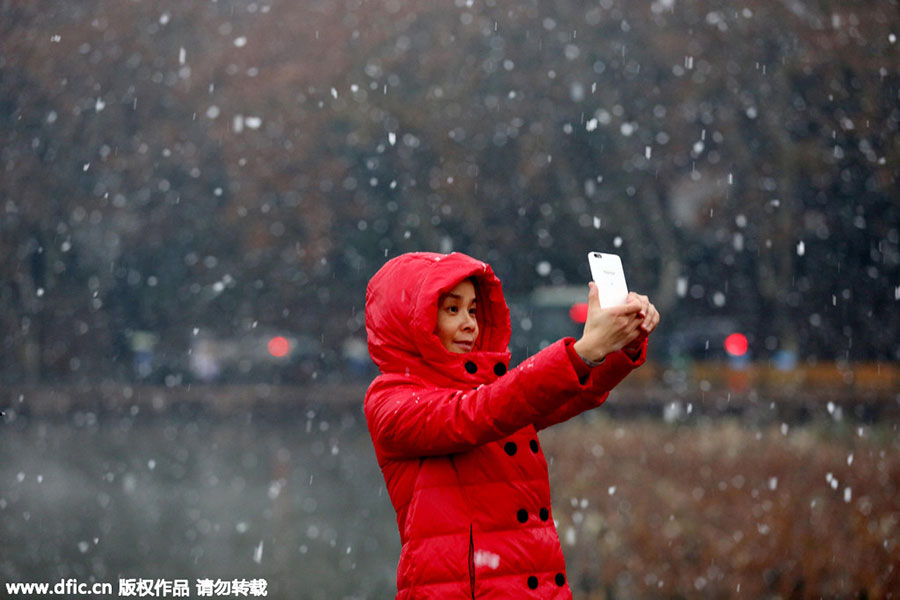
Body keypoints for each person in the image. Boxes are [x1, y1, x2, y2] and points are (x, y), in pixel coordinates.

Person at [364, 251, 659, 599]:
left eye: (473, 309)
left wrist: (622, 345)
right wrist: (583, 351)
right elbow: (475, 415)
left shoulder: (490, 394)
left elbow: (567, 394)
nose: (470, 323)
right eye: (451, 309)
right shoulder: (390, 400)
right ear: (409, 321)